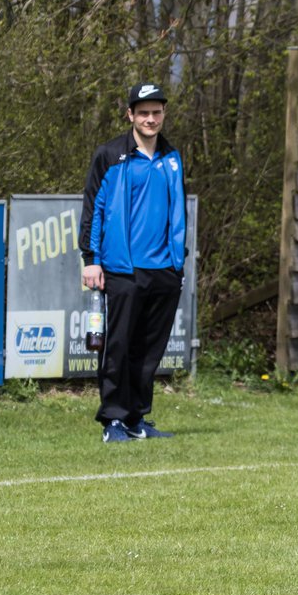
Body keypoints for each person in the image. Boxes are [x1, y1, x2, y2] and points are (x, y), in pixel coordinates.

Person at [80, 83, 187, 443]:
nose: (150, 119)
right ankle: (112, 420)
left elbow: (178, 213)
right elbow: (93, 209)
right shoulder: (110, 155)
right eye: (143, 112)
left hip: (165, 271)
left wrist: (178, 263)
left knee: (149, 351)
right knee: (119, 346)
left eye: (156, 112)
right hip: (122, 268)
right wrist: (90, 259)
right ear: (130, 115)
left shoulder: (173, 156)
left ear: (164, 114)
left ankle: (137, 418)